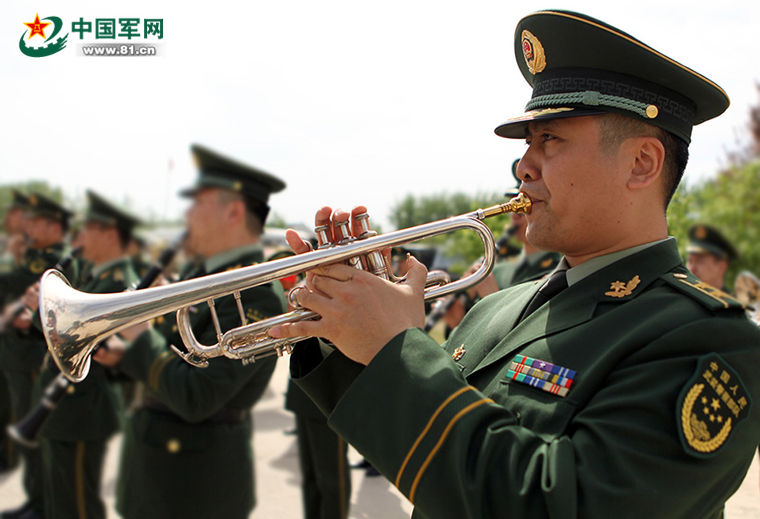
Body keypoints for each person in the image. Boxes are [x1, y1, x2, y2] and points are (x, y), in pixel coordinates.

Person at [270, 10, 760, 518]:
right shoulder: (498, 307)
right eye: (528, 144)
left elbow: (561, 505)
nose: (523, 166)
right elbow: (433, 463)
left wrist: (397, 350)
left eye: (549, 139)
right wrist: (346, 324)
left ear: (641, 163)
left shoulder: (704, 338)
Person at [95, 143, 287, 519]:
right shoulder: (198, 275)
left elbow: (198, 397)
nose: (187, 215)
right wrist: (125, 355)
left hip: (194, 488)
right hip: (153, 471)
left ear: (232, 211)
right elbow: (172, 354)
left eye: (196, 203)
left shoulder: (257, 294)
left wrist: (139, 336)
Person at [25, 190, 141, 519]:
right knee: (62, 497)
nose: (79, 237)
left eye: (87, 229)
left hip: (83, 406)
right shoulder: (95, 275)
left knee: (76, 503)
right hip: (70, 406)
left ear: (110, 234)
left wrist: (39, 311)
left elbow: (81, 338)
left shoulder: (121, 282)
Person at [1, 192, 74, 519]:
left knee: (36, 434)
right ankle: (36, 501)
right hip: (20, 355)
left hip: (32, 358)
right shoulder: (34, 254)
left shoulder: (48, 259)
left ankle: (43, 505)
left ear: (53, 225)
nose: (26, 225)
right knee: (26, 431)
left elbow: (13, 283)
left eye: (34, 220)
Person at [278, 248, 352, 519]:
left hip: (329, 393)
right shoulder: (301, 292)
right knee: (310, 476)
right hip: (303, 391)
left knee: (332, 478)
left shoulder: (339, 294)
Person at [0, 189, 30, 475]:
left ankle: (7, 455)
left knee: (9, 399)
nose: (8, 216)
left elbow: (9, 284)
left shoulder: (29, 250)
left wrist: (11, 257)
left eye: (14, 212)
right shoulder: (12, 245)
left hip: (19, 338)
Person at [686, 224, 737, 293]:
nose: (692, 269)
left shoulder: (733, 303)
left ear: (722, 266)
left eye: (700, 261)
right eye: (690, 261)